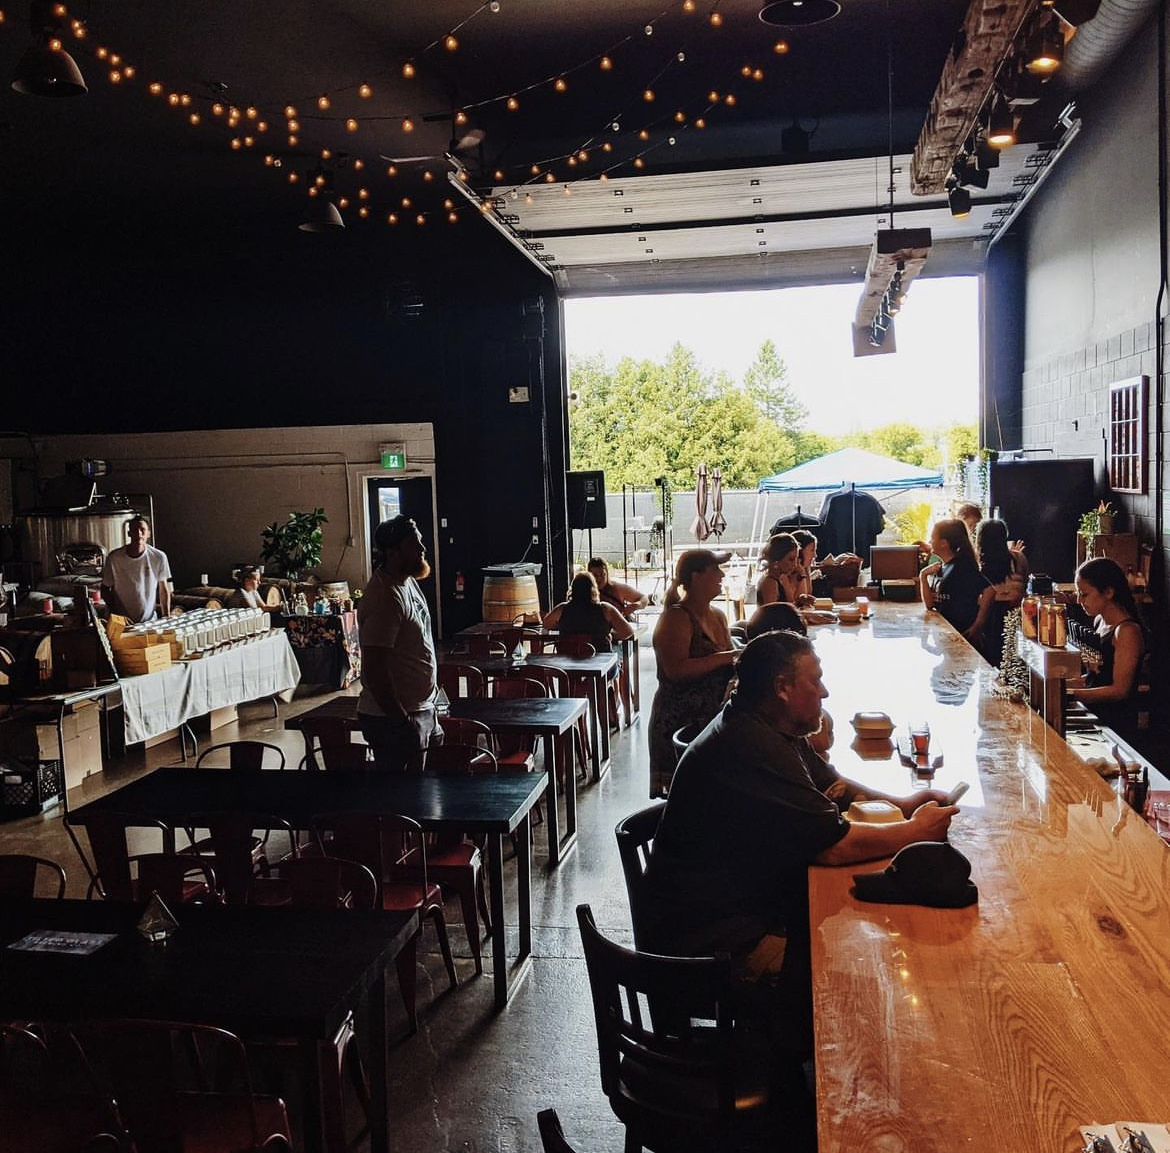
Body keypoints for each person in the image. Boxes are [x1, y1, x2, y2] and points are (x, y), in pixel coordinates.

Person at [641, 630, 956, 1069]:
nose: (825, 690)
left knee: (857, 940)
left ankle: (810, 1073)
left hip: (741, 907)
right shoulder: (751, 744)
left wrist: (902, 805)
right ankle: (805, 1101)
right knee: (846, 976)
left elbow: (833, 786)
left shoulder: (770, 724)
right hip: (710, 946)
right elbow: (833, 847)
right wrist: (913, 833)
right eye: (816, 680)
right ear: (783, 688)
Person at [647, 549, 736, 797]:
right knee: (688, 798)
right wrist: (724, 658)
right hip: (680, 721)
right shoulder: (676, 617)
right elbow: (675, 670)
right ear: (696, 577)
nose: (722, 573)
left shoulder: (718, 616)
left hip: (711, 719)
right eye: (715, 569)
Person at [357, 516, 441, 772]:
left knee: (426, 795)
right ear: (393, 553)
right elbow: (375, 669)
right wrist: (403, 723)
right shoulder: (386, 597)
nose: (422, 549)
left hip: (421, 710)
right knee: (405, 801)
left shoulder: (408, 582)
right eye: (415, 544)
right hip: (392, 719)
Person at [1067, 557, 1148, 739]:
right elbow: (1096, 676)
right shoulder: (1099, 620)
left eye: (1085, 594)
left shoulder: (1127, 631)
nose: (1079, 600)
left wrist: (1073, 694)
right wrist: (1064, 685)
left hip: (1116, 723)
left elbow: (1120, 690)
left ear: (1109, 592)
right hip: (1094, 713)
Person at [967, 519, 1025, 665]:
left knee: (989, 658)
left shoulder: (978, 562)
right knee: (1011, 658)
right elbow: (1024, 581)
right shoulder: (1018, 558)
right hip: (1014, 612)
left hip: (990, 612)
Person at [919, 518, 989, 639]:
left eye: (933, 537)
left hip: (962, 634)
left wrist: (977, 625)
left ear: (944, 543)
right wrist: (923, 576)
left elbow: (990, 591)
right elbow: (930, 604)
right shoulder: (940, 567)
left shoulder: (962, 566)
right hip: (947, 632)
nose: (930, 541)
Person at [101, 515, 172, 623]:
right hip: (122, 622)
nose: (138, 533)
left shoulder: (158, 557)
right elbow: (105, 589)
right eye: (134, 530)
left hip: (149, 621)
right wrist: (118, 615)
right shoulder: (115, 558)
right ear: (129, 533)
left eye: (142, 530)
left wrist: (166, 616)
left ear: (148, 533)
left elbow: (163, 589)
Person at [543, 571, 635, 653]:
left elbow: (546, 624)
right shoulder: (605, 609)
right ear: (593, 589)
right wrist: (610, 635)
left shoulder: (562, 609)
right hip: (600, 663)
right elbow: (628, 631)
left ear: (573, 589)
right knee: (618, 656)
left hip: (568, 664)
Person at [755, 533, 800, 607]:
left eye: (796, 559)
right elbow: (773, 614)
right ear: (777, 559)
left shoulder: (778, 579)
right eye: (791, 560)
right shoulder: (770, 583)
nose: (795, 564)